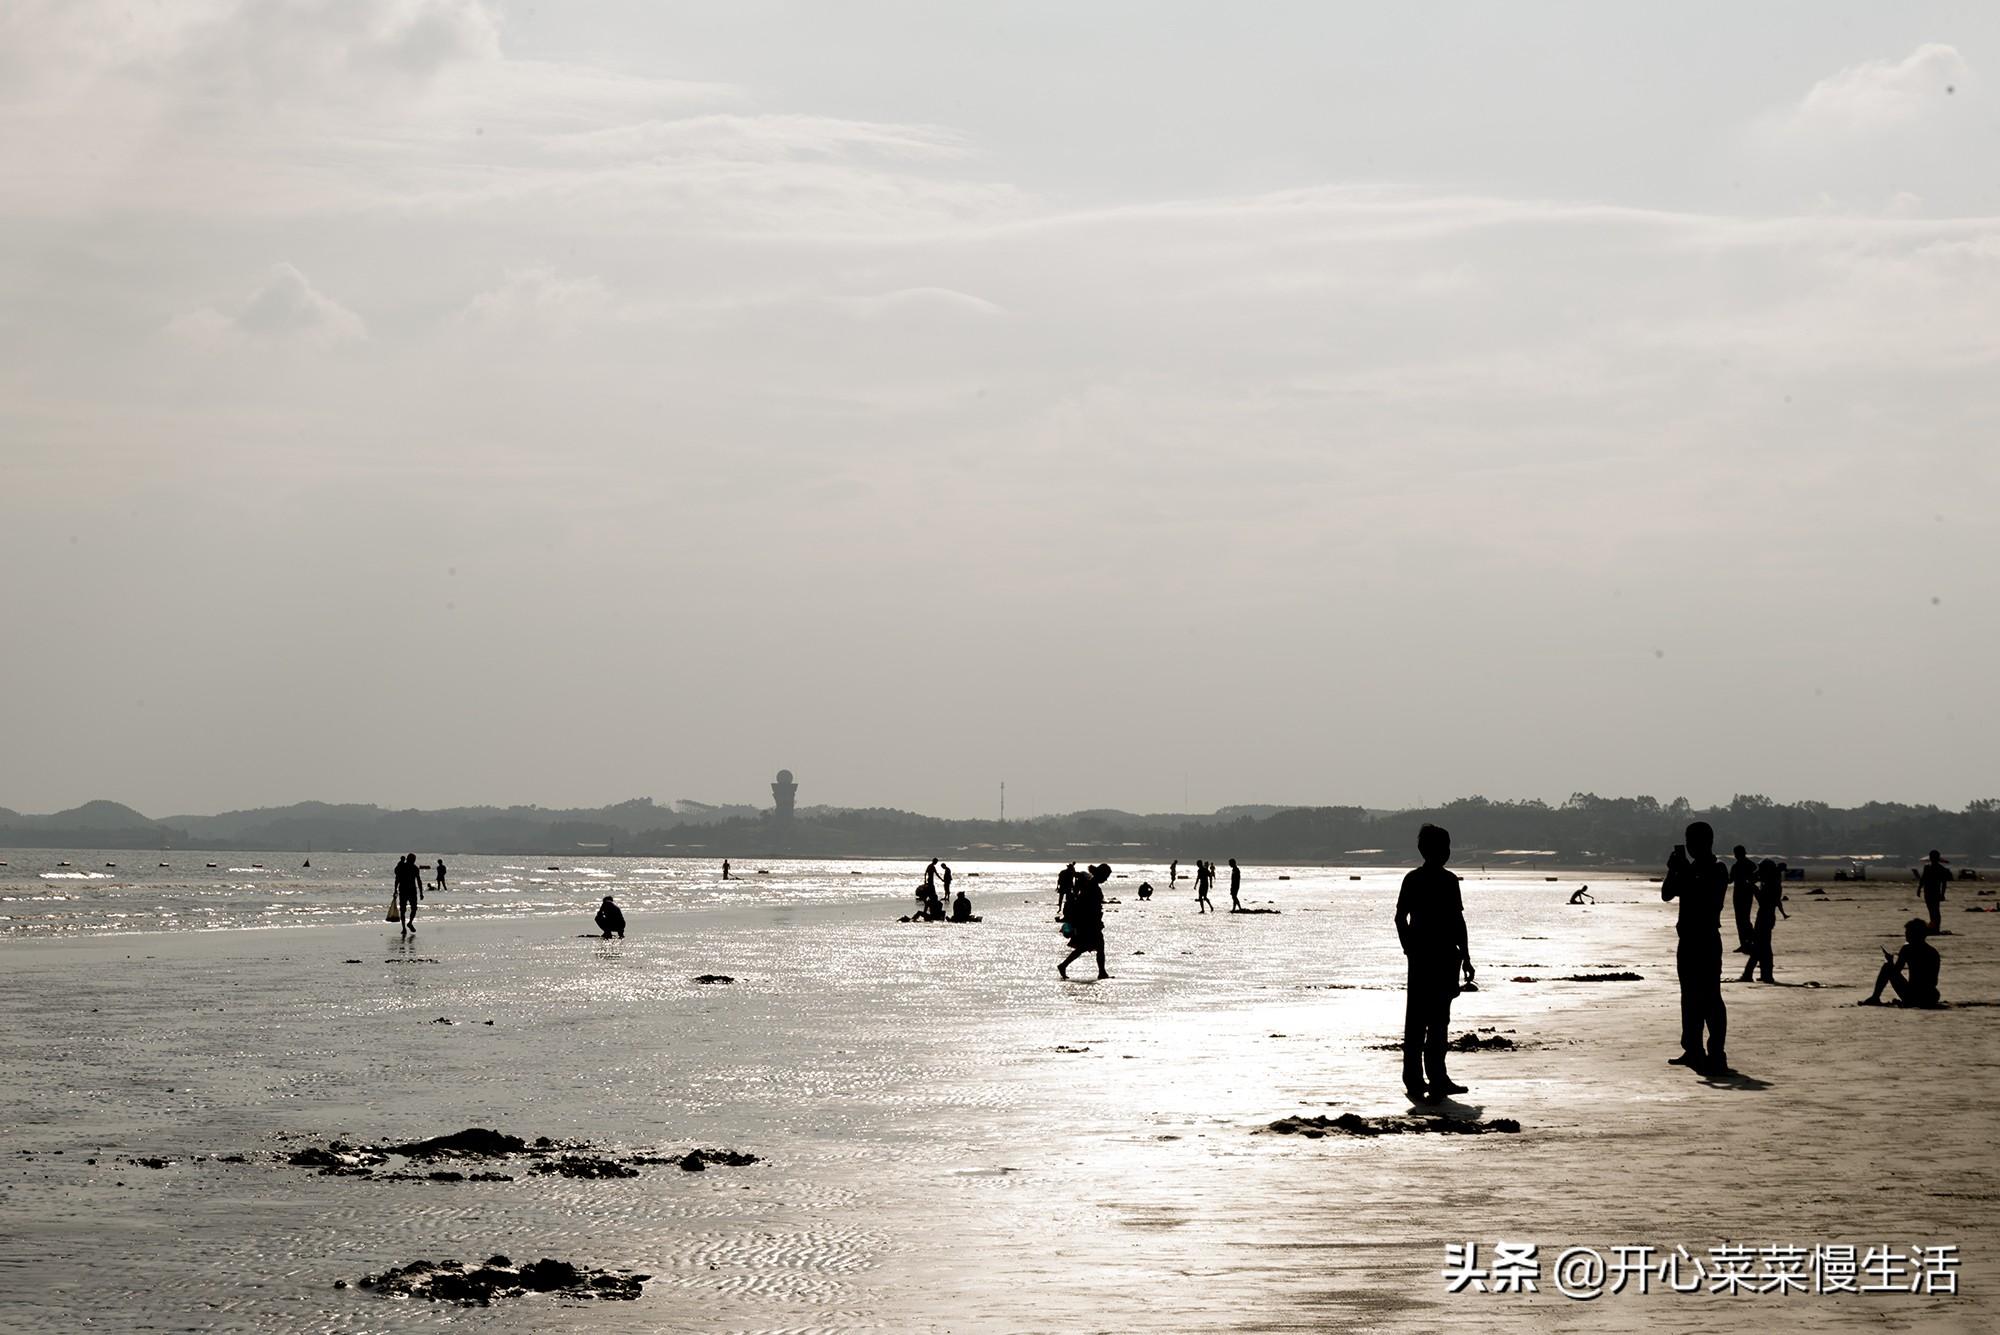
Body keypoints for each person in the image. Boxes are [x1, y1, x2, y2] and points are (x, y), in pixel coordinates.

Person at [1394, 824, 1475, 1102]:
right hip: (1423, 959)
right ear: (1426, 851)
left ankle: (1437, 1077)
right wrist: (1409, 949)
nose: (1446, 853)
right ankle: (1415, 1079)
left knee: (1439, 1022)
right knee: (1419, 1022)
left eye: (1447, 848)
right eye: (1442, 848)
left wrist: (1465, 955)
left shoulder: (1450, 881)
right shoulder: (1414, 880)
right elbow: (1399, 918)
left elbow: (1457, 921)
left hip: (1443, 958)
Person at [1662, 821, 1732, 1076]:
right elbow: (1667, 894)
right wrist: (1672, 871)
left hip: (1706, 941)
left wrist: (1685, 872)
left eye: (1692, 842)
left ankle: (1716, 1054)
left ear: (1705, 843)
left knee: (1711, 998)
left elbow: (1708, 898)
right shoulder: (1689, 868)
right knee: (1689, 998)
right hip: (1688, 941)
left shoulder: (1717, 869)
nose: (1690, 847)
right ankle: (1693, 1049)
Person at [1861, 919, 1942, 1008]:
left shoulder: (1907, 949)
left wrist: (1890, 961)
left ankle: (1875, 997)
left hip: (1913, 994)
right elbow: (1934, 981)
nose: (1906, 935)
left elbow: (1895, 971)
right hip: (1932, 995)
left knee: (1887, 967)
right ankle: (1875, 997)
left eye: (1908, 933)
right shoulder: (1932, 951)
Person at [1059, 863, 1112, 980]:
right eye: (1106, 876)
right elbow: (1085, 905)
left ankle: (1063, 965)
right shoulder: (1092, 886)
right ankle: (1102, 973)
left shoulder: (1092, 885)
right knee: (1098, 946)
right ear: (1101, 874)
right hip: (1090, 922)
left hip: (1091, 921)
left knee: (1085, 947)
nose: (1106, 879)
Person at [1738, 859, 1788, 983]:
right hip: (1767, 917)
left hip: (1765, 917)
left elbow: (1763, 900)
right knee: (1763, 947)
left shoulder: (1771, 884)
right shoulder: (1773, 882)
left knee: (1760, 947)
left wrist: (1753, 887)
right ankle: (1764, 974)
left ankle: (1750, 974)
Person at [1729, 844, 1757, 954]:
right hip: (1747, 894)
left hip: (1739, 894)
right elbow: (1756, 876)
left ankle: (1746, 943)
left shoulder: (1736, 867)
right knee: (1745, 919)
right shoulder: (1751, 865)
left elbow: (1730, 880)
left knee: (1741, 920)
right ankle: (1749, 942)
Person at [1918, 850, 1952, 934]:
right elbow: (1923, 879)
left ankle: (1936, 928)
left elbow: (1943, 883)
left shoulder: (1940, 869)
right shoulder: (1929, 868)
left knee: (1935, 911)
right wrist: (1919, 889)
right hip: (1929, 892)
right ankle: (1934, 927)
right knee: (1932, 910)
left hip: (1934, 892)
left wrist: (1943, 894)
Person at [394, 853, 424, 936]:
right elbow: (397, 878)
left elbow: (418, 880)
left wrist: (421, 892)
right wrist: (395, 890)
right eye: (413, 859)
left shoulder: (414, 868)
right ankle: (404, 927)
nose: (413, 861)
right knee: (404, 910)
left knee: (412, 909)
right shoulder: (404, 867)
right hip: (406, 890)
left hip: (409, 891)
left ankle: (408, 924)